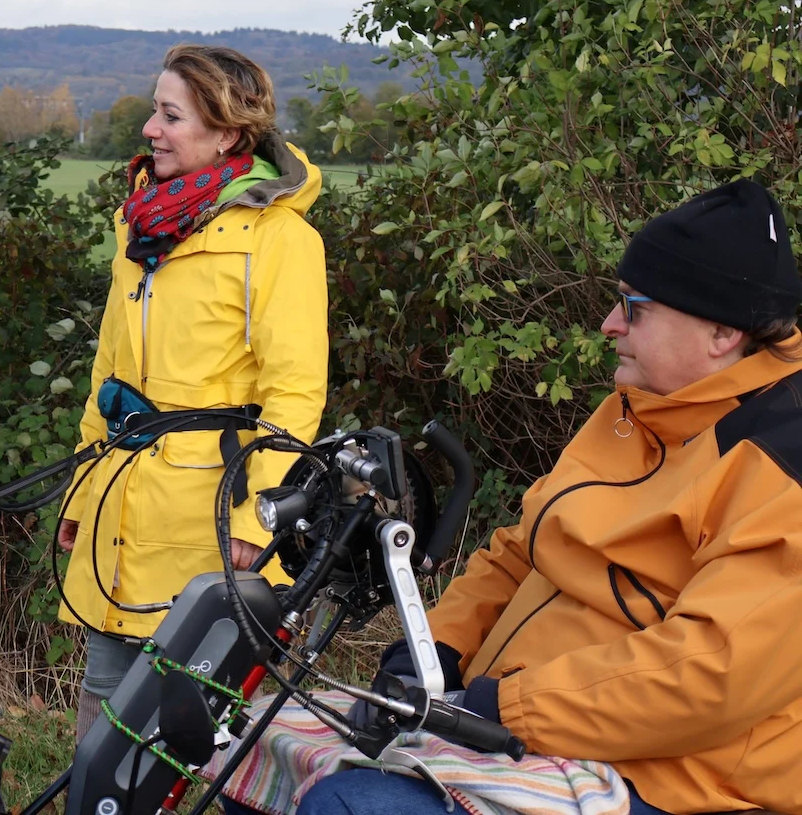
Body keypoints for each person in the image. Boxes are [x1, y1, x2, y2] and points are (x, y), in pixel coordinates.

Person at [284, 180, 802, 815]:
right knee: (266, 746)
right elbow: (522, 547)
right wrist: (434, 649)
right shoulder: (639, 407)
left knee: (348, 805)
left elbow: (712, 672)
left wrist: (498, 708)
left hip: (672, 780)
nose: (610, 324)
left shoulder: (782, 460)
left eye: (635, 307)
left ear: (721, 332)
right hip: (523, 725)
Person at [55, 45, 329, 738]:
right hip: (121, 499)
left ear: (228, 133)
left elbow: (295, 392)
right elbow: (109, 375)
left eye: (171, 116)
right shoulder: (140, 223)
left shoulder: (279, 239)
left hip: (213, 516)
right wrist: (82, 492)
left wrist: (258, 521)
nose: (150, 129)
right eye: (155, 110)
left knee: (197, 722)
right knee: (104, 698)